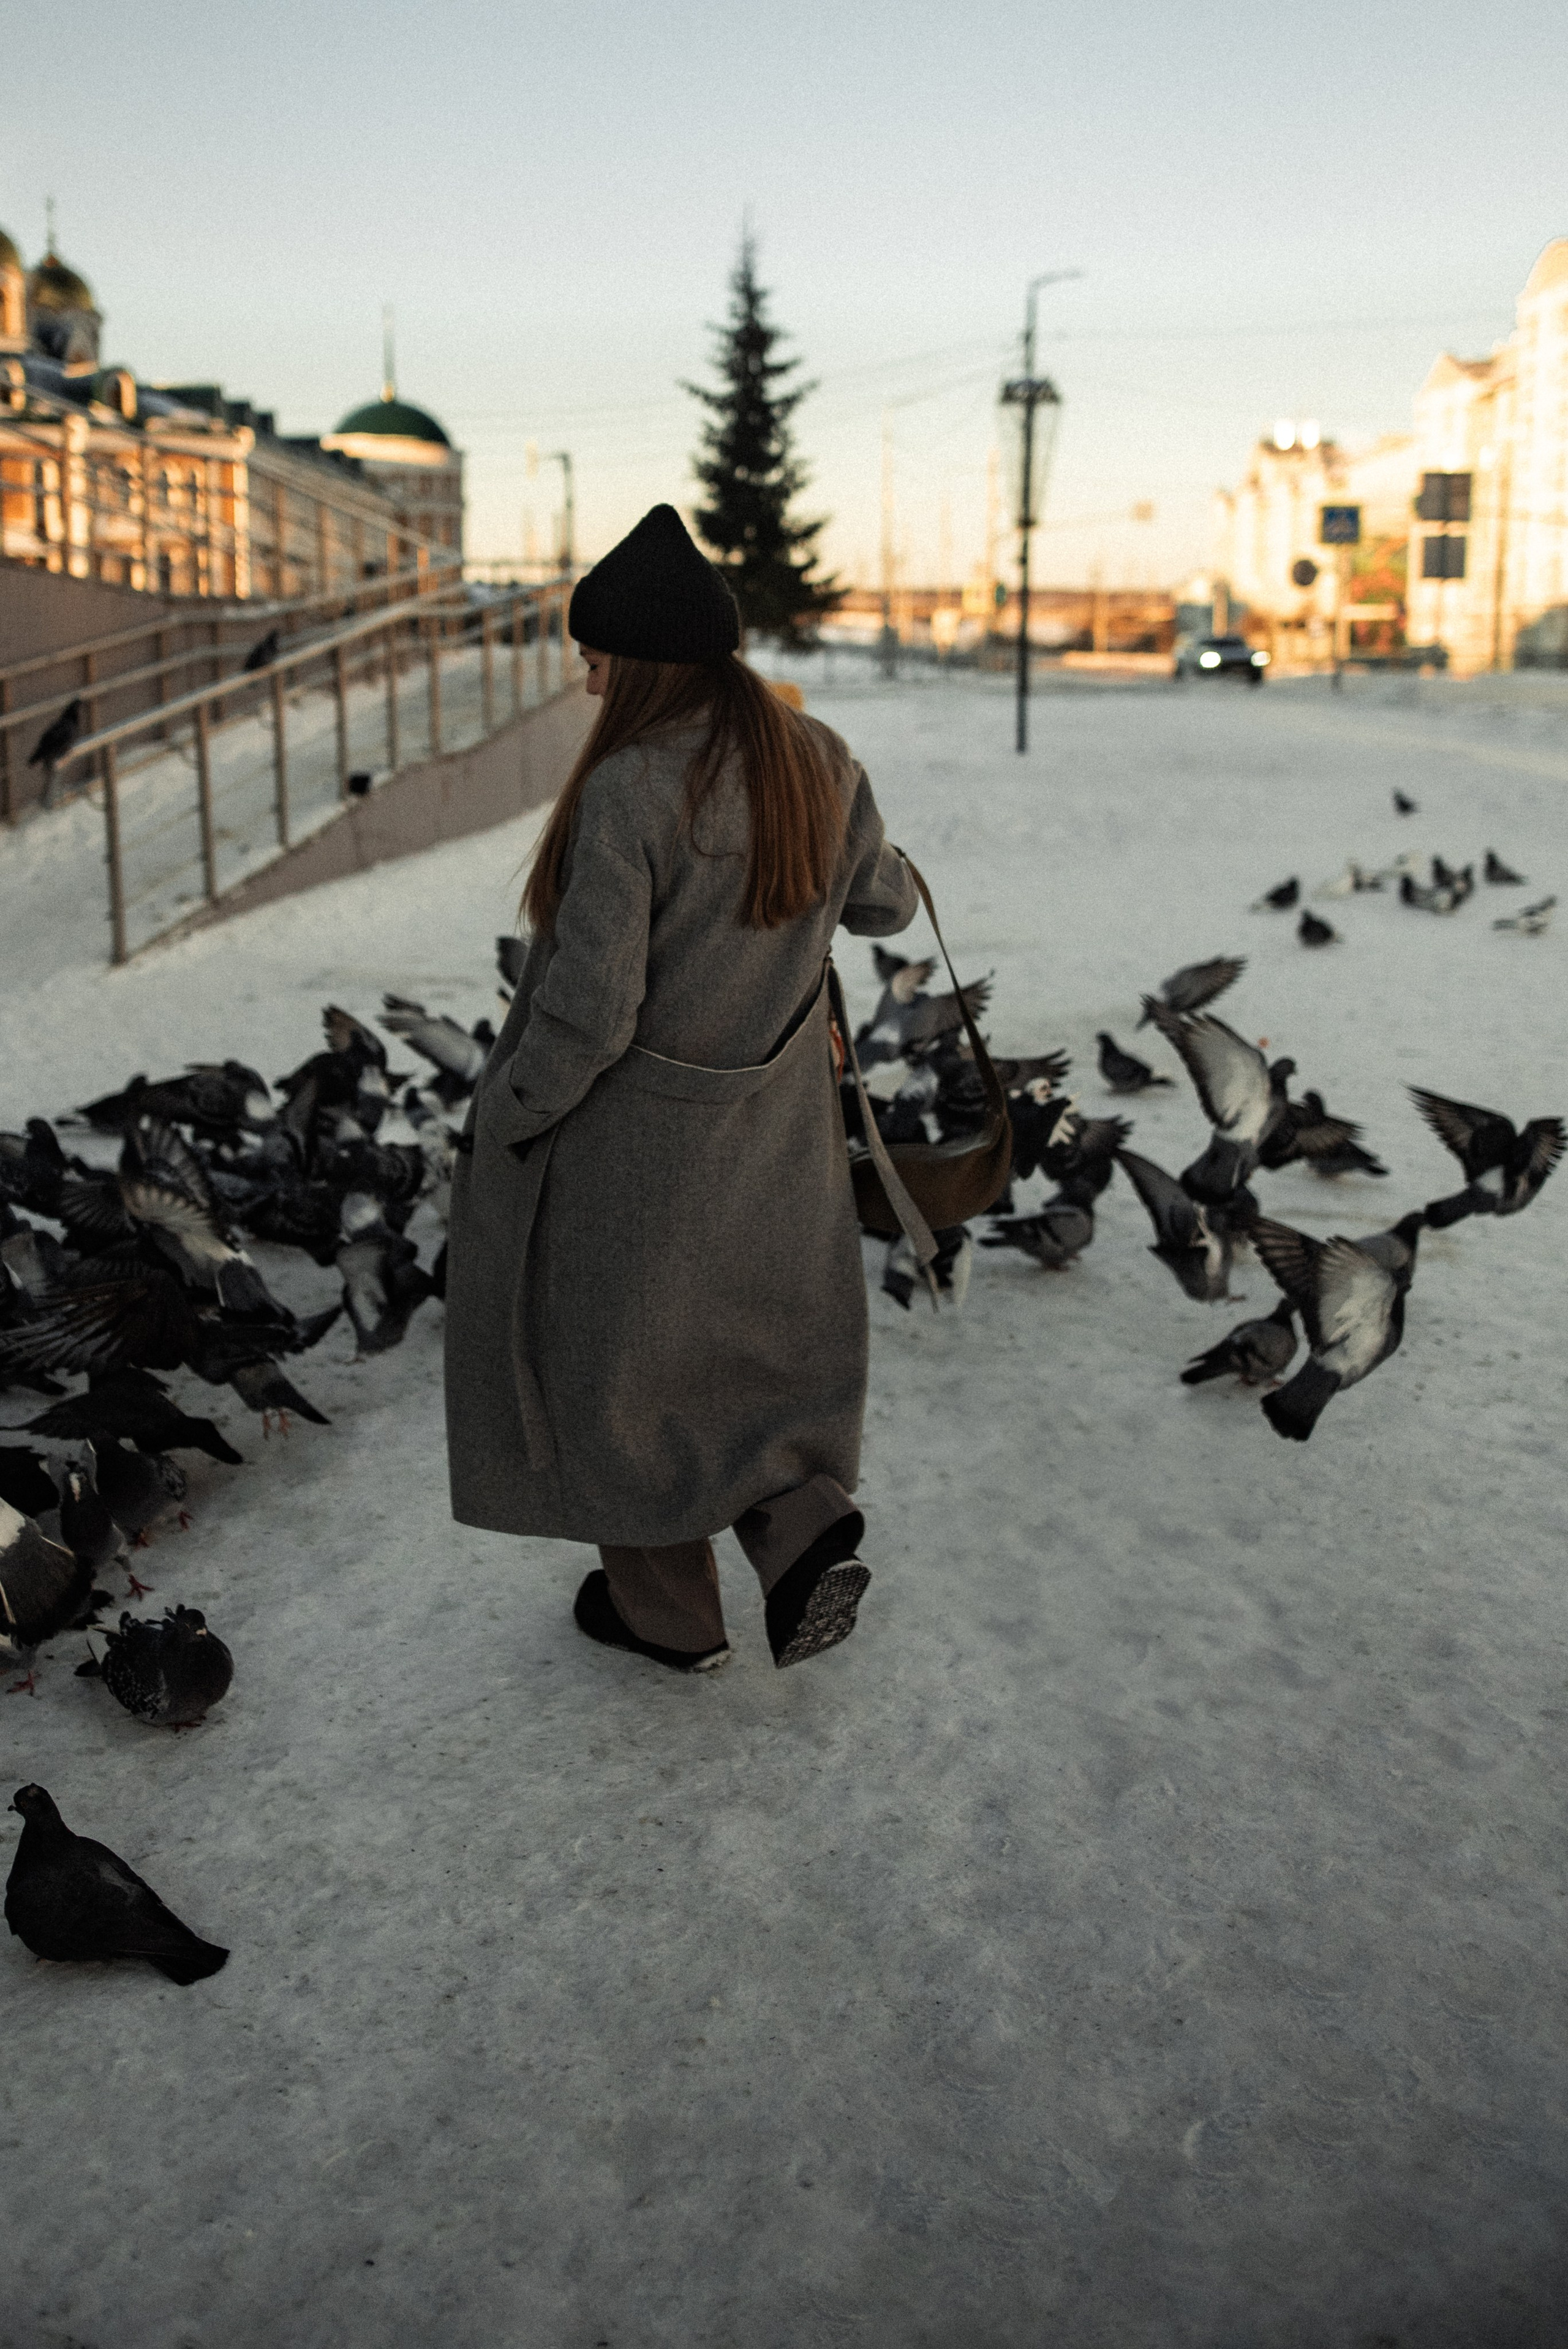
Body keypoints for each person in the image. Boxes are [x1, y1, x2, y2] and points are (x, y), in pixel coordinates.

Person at [444, 504, 917, 1673]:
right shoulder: (818, 758)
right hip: (774, 1133)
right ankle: (802, 1526)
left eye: (599, 663)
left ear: (645, 662)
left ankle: (671, 1617)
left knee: (615, 1374)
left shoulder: (632, 793)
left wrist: (506, 1116)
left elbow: (592, 1012)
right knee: (754, 1348)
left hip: (629, 1152)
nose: (592, 688)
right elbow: (884, 906)